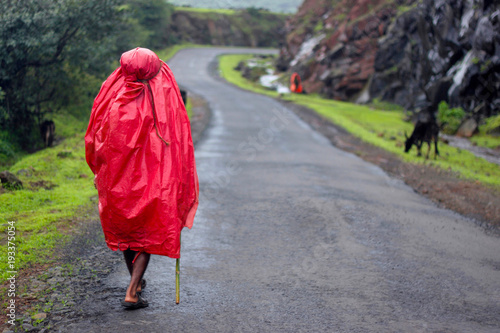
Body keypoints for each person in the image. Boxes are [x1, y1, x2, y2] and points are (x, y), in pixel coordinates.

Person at [85, 47, 199, 309]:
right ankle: (132, 291)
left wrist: (98, 172)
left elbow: (96, 139)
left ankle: (134, 282)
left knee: (127, 233)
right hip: (152, 182)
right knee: (146, 234)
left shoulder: (110, 102)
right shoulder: (162, 101)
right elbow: (178, 142)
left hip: (117, 183)